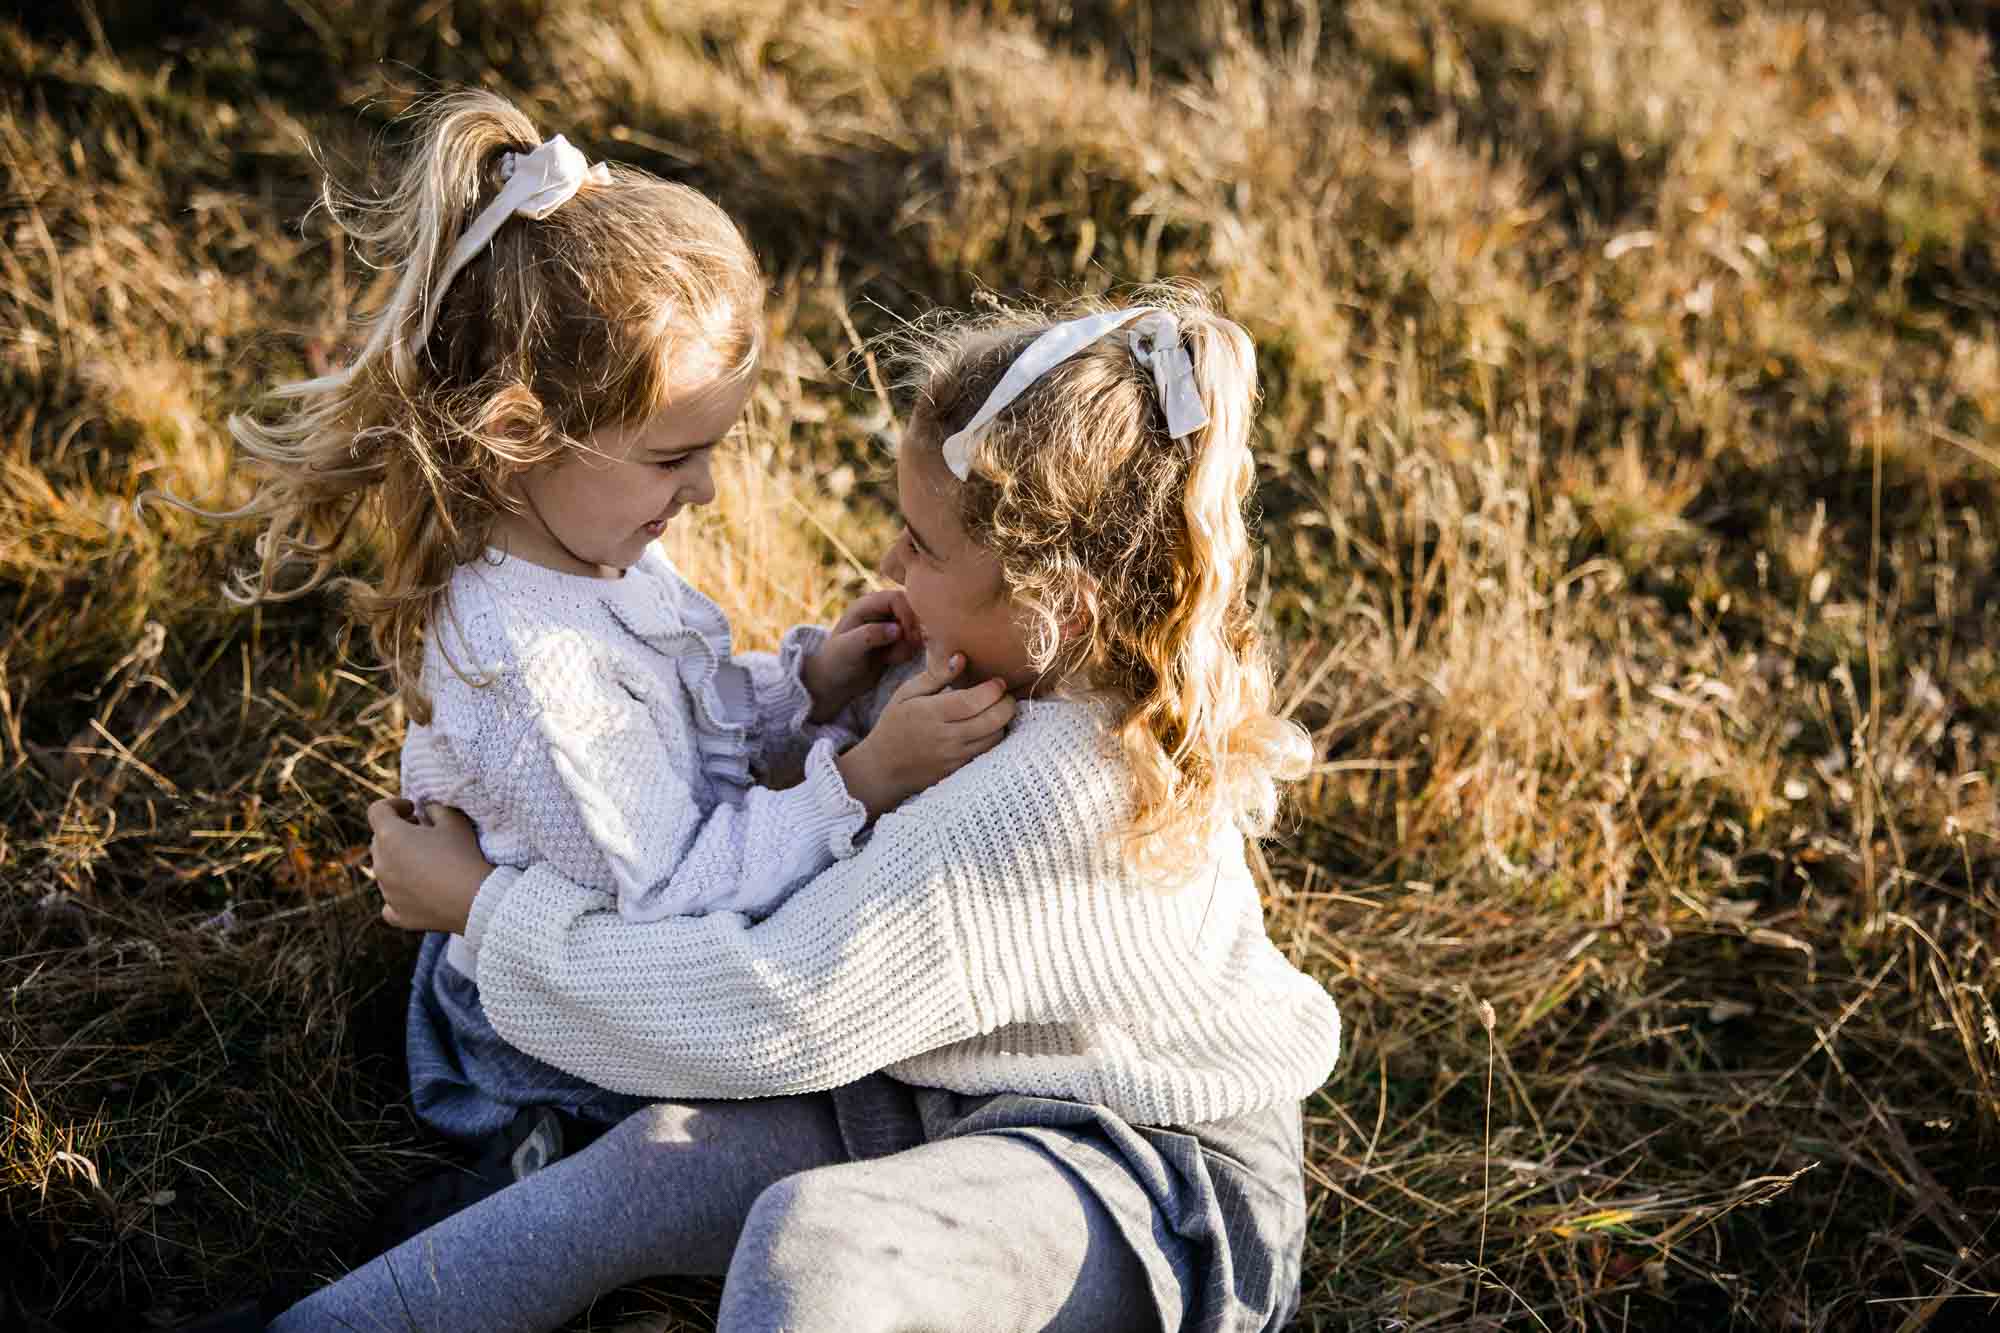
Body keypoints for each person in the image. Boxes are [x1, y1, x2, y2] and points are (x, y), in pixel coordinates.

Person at [268, 285, 1342, 1332]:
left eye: (922, 547)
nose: (889, 564)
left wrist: (486, 908)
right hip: (935, 1087)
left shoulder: (1052, 791)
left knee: (815, 1244)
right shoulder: (1001, 663)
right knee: (647, 1165)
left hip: (1139, 1170)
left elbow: (766, 1006)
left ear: (1054, 603)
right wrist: (832, 701)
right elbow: (809, 815)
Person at [199, 91, 1015, 1203]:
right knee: (768, 1112)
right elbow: (670, 898)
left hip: (627, 915)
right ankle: (521, 1168)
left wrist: (809, 686)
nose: (707, 488)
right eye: (674, 456)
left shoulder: (582, 546)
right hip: (558, 1030)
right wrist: (863, 779)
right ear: (519, 435)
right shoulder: (536, 674)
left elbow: (683, 724)